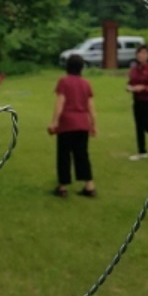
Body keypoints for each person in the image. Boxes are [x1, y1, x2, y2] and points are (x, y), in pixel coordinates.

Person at [48, 53, 97, 198]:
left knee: (64, 155)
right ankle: (89, 186)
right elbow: (91, 107)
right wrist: (94, 125)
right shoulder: (86, 84)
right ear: (82, 68)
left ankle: (63, 186)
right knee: (82, 155)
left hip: (67, 123)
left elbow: (60, 102)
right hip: (83, 124)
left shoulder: (64, 82)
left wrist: (54, 122)